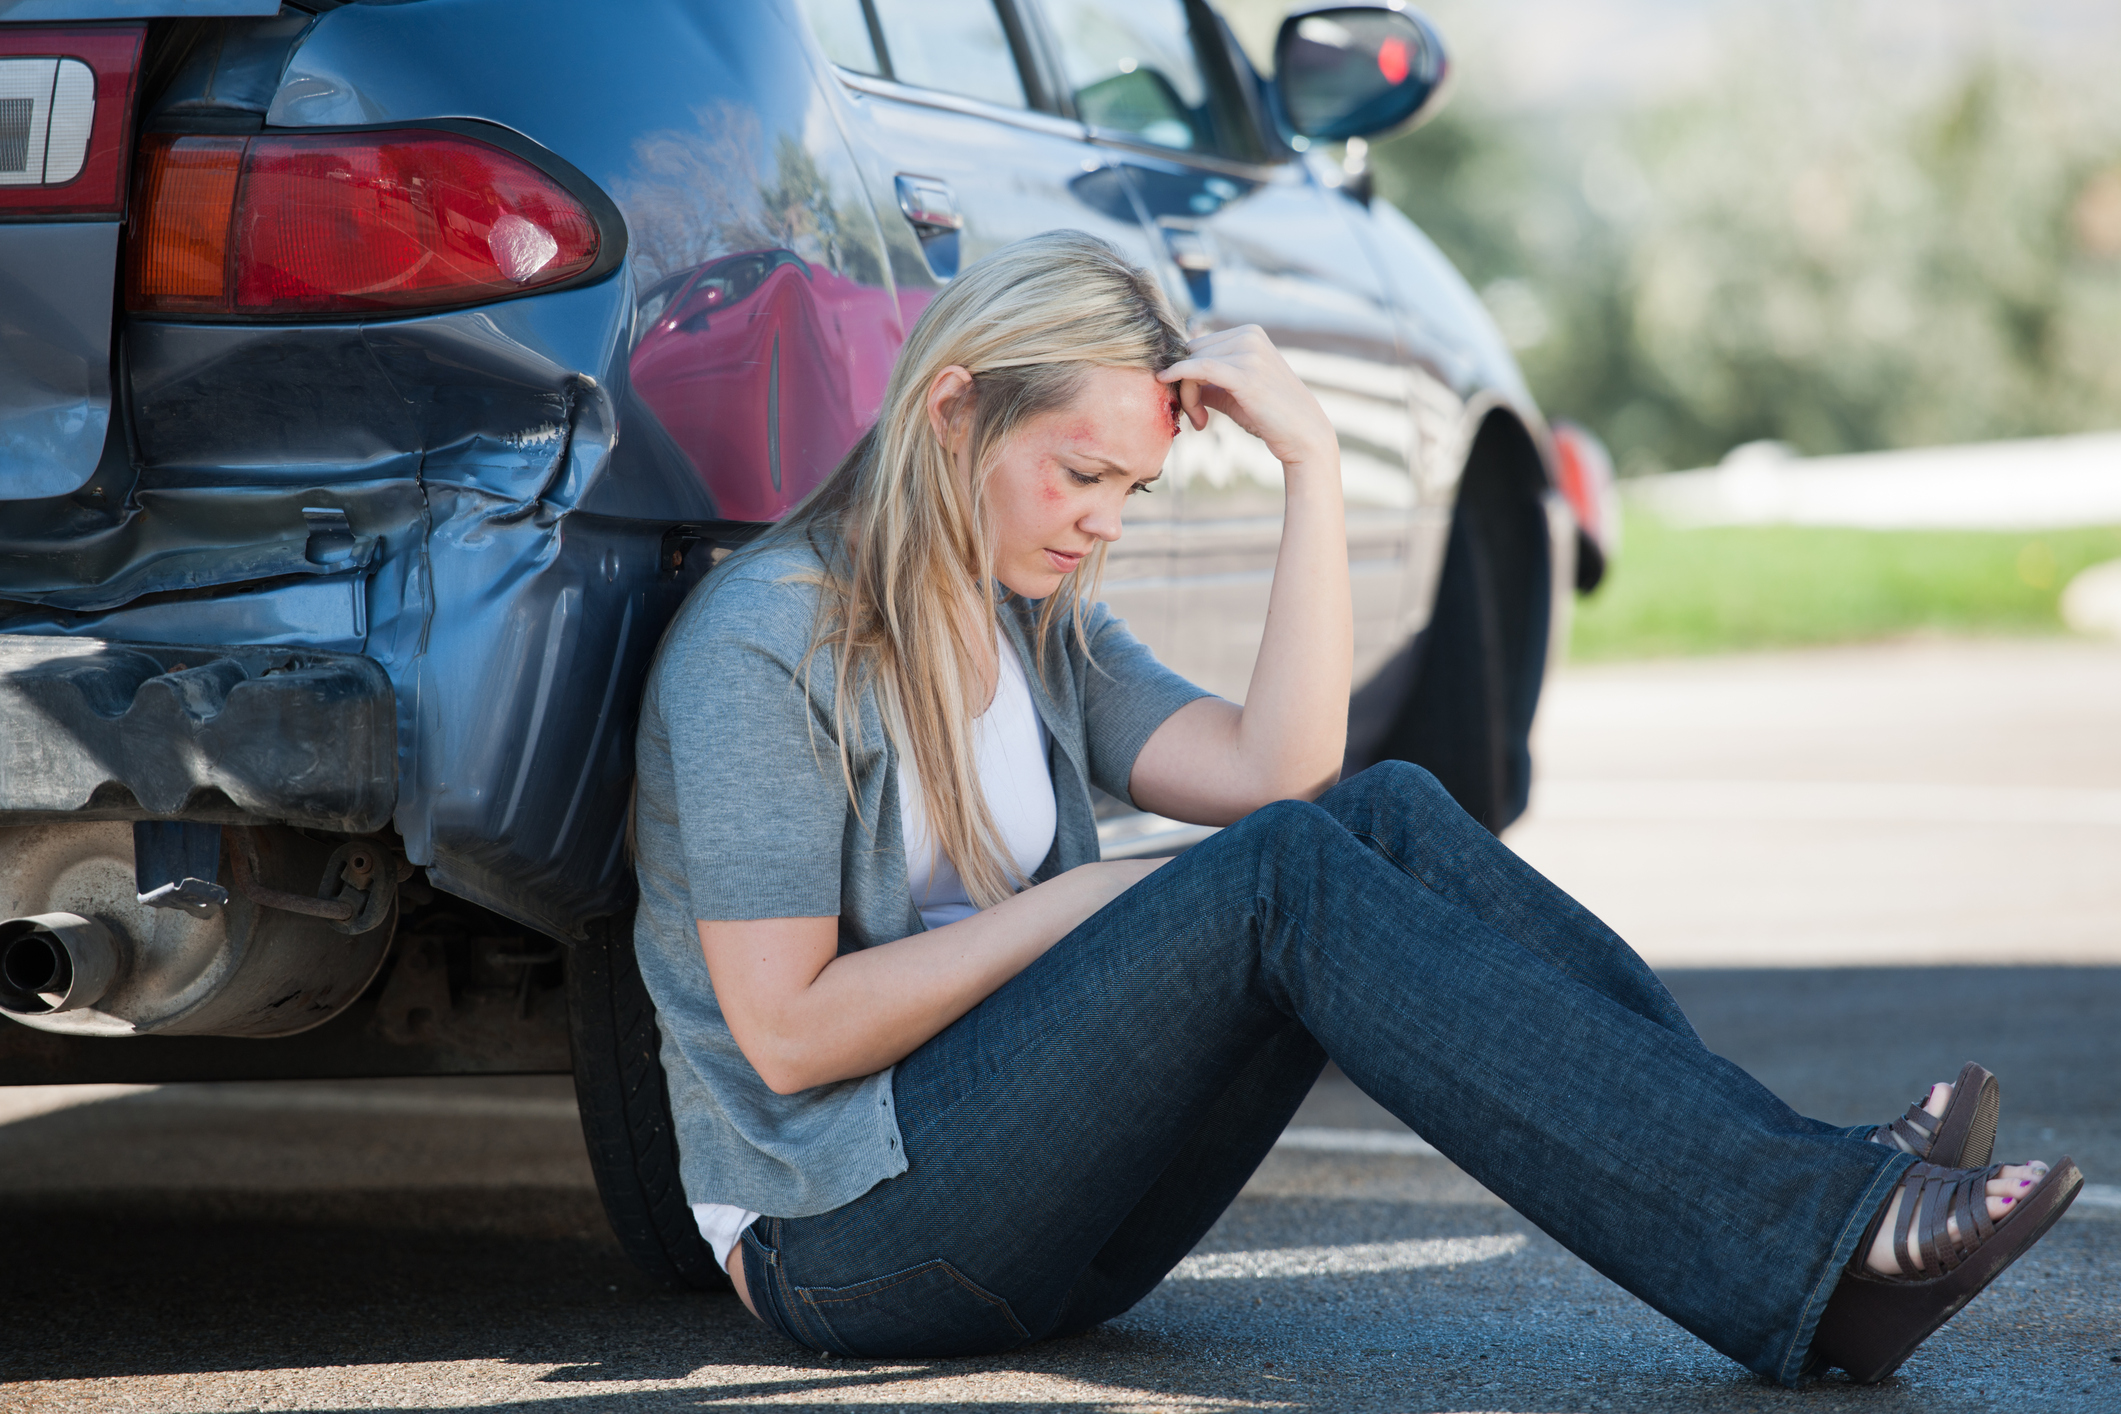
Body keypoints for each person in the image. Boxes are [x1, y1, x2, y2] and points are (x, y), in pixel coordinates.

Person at [629, 231, 2079, 1385]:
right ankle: (1816, 1229)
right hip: (844, 1236)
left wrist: (1311, 459)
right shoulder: (770, 644)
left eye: (1129, 488)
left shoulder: (1033, 623)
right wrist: (1086, 898)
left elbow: (1285, 773)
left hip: (1042, 1222)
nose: (1100, 523)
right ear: (951, 411)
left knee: (1372, 811)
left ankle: (1801, 1196)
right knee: (1276, 878)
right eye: (1079, 473)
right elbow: (790, 1029)